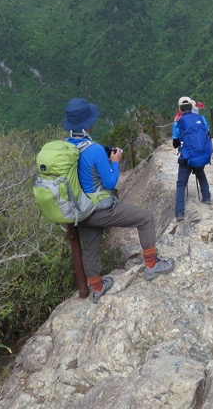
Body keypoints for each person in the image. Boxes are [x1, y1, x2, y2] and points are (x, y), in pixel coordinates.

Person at [63, 97, 175, 302]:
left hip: (79, 211)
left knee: (89, 248)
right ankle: (151, 265)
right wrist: (115, 162)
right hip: (99, 210)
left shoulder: (65, 148)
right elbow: (110, 182)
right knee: (145, 218)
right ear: (88, 123)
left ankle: (96, 287)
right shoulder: (94, 150)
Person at [172, 96, 213, 220]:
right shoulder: (201, 118)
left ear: (180, 108)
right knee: (200, 173)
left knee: (181, 184)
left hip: (186, 157)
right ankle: (206, 198)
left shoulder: (177, 123)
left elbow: (175, 144)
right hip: (201, 155)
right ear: (191, 107)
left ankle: (180, 212)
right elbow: (208, 134)